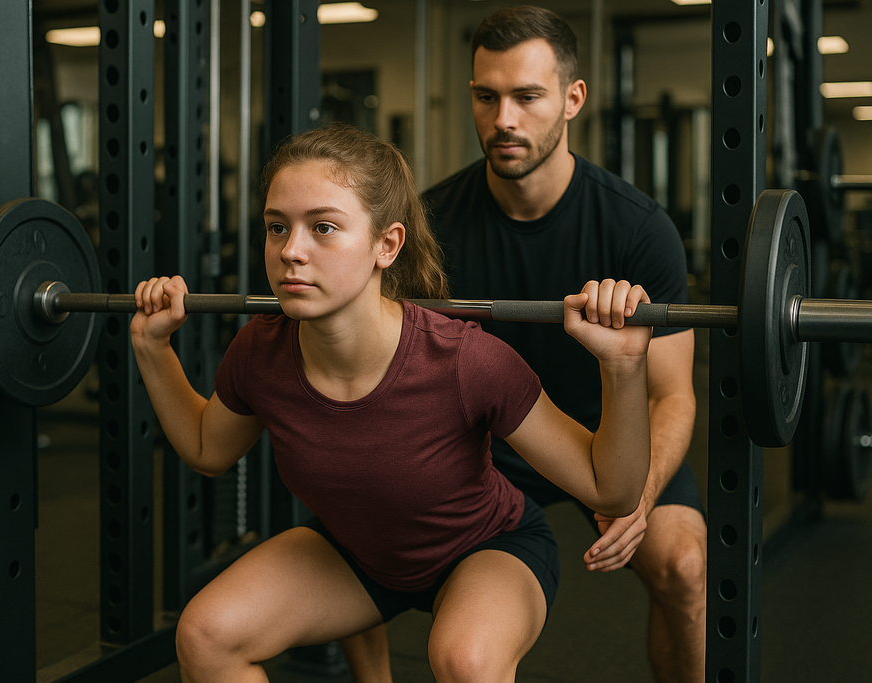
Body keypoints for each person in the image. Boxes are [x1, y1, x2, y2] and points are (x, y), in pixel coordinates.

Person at [130, 123, 654, 682]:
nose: (290, 251)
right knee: (205, 637)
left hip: (486, 549)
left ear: (387, 245)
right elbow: (207, 449)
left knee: (465, 662)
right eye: (277, 227)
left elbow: (612, 490)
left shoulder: (466, 361)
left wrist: (623, 367)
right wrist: (151, 347)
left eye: (323, 227)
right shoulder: (261, 350)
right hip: (358, 555)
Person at [340, 6, 706, 683]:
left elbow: (672, 395)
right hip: (482, 440)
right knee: (350, 520)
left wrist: (641, 492)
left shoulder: (638, 229)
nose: (503, 118)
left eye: (527, 97)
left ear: (572, 99)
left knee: (684, 565)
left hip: (609, 434)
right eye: (487, 96)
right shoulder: (430, 226)